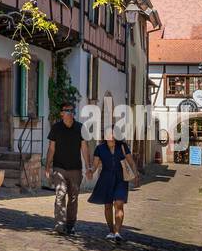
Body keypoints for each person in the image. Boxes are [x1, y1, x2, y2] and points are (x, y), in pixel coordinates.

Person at [44, 103, 92, 235]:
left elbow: (84, 148)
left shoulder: (80, 128)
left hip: (75, 169)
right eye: (67, 110)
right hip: (59, 168)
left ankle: (70, 224)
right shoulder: (56, 128)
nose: (70, 113)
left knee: (73, 198)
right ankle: (60, 224)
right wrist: (48, 165)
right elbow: (51, 148)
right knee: (60, 194)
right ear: (62, 113)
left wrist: (88, 167)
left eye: (72, 110)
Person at [87, 127, 141, 243]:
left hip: (121, 179)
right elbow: (95, 165)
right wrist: (91, 170)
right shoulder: (100, 148)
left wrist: (136, 174)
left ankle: (117, 232)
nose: (109, 136)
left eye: (111, 134)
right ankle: (111, 231)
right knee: (107, 206)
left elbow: (130, 161)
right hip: (105, 179)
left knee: (119, 204)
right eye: (107, 134)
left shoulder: (122, 146)